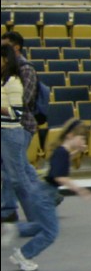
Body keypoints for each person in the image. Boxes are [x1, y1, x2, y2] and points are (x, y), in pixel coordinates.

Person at [3, 117, 91, 271]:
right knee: (51, 233)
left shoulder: (62, 151)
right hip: (45, 195)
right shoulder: (61, 153)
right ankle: (23, 255)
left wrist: (77, 151)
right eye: (81, 137)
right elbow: (59, 177)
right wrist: (79, 189)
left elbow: (61, 165)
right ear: (71, 135)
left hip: (42, 193)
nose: (83, 141)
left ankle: (14, 229)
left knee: (40, 225)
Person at [0, 32, 41, 225]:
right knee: (14, 170)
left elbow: (21, 106)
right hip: (7, 128)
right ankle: (9, 209)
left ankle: (39, 207)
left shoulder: (24, 71)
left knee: (17, 174)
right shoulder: (5, 77)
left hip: (21, 126)